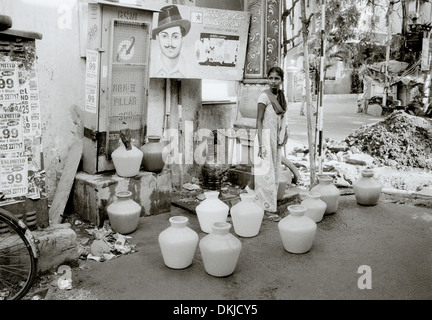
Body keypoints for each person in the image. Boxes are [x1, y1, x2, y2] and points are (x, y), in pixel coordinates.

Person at [254, 66, 289, 214]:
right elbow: (259, 121)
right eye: (271, 78)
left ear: (281, 80)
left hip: (275, 140)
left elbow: (282, 119)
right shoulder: (264, 97)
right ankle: (264, 207)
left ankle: (271, 205)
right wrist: (261, 145)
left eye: (277, 78)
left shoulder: (281, 96)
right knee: (265, 175)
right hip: (265, 139)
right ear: (267, 79)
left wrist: (284, 135)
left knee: (274, 173)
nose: (273, 81)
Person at [151, 5, 191, 78]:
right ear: (158, 39)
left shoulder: (193, 73)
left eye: (175, 36)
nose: (170, 43)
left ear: (182, 39)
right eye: (164, 36)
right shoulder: (149, 71)